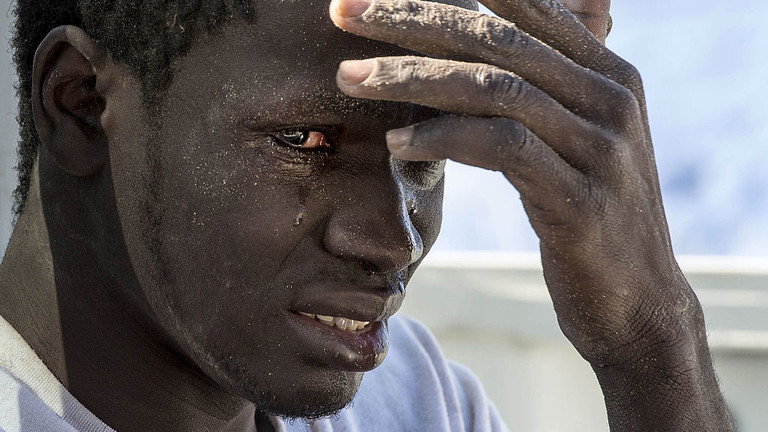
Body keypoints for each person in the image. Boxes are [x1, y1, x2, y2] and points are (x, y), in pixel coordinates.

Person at [0, 0, 734, 430]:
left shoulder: (418, 399)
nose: (393, 239)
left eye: (424, 156)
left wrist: (653, 341)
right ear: (83, 107)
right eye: (305, 141)